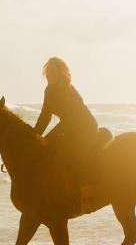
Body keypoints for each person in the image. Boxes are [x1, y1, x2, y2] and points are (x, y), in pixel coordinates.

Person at [33, 57, 101, 204]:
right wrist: (34, 134)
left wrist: (49, 138)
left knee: (68, 154)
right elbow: (45, 115)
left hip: (86, 128)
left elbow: (71, 120)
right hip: (71, 128)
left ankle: (84, 192)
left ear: (60, 73)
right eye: (47, 72)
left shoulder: (68, 90)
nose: (48, 75)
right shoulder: (49, 90)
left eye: (52, 72)